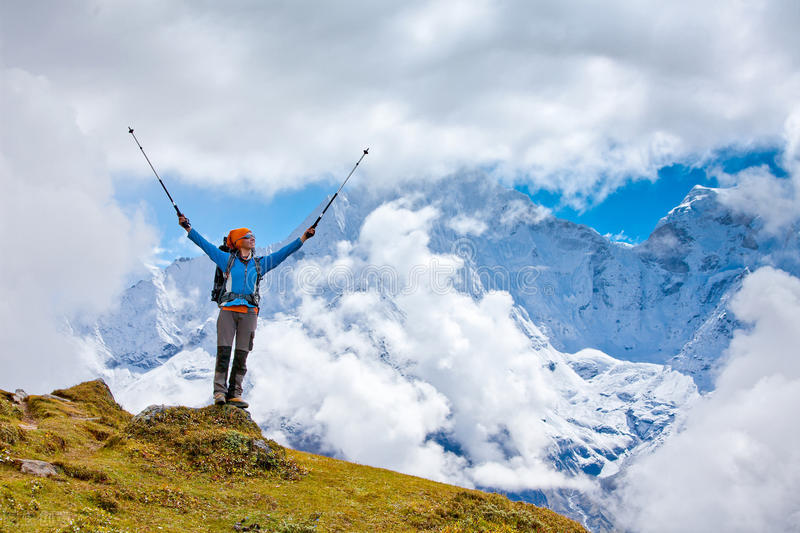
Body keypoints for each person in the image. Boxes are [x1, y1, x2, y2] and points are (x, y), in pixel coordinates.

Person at [178, 214, 315, 408]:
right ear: (239, 242)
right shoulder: (225, 259)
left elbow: (283, 253)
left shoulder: (259, 264)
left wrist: (303, 238)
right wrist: (187, 228)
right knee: (224, 352)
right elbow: (205, 245)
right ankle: (219, 392)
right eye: (248, 236)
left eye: (253, 236)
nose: (253, 238)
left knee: (242, 355)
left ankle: (235, 393)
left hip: (250, 313)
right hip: (227, 311)